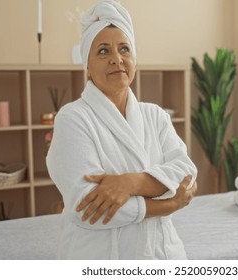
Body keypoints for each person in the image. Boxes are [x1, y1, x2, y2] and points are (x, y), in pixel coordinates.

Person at [46, 0, 198, 260]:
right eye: (103, 51)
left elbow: (186, 173)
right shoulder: (73, 118)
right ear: (88, 66)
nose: (117, 58)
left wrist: (130, 183)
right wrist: (168, 203)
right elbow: (88, 209)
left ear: (134, 61)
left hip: (162, 253)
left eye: (124, 49)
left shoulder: (155, 115)